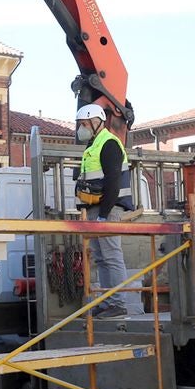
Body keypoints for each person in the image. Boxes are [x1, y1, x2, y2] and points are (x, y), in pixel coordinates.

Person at [74, 102, 135, 318]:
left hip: (108, 209)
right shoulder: (93, 145)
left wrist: (102, 215)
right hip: (95, 208)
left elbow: (113, 182)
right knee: (101, 258)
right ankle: (108, 301)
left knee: (111, 255)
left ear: (96, 122)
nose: (82, 128)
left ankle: (118, 303)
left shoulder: (109, 144)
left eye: (84, 124)